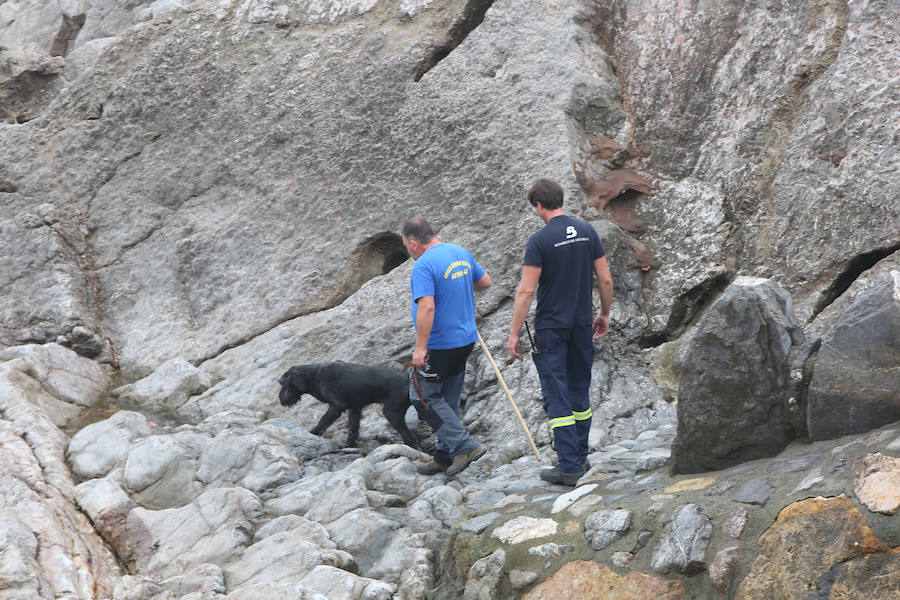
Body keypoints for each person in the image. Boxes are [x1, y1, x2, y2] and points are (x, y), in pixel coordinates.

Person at [506, 178, 613, 486]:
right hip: (582, 324)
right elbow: (605, 280)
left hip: (551, 328)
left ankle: (568, 466)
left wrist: (514, 334)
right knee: (579, 387)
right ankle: (579, 455)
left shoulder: (539, 241)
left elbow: (526, 292)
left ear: (538, 206)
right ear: (560, 199)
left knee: (557, 394)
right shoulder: (587, 231)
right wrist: (604, 313)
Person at [402, 217, 492, 476]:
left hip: (439, 344)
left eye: (406, 246)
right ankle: (444, 455)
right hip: (465, 340)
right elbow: (485, 282)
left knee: (423, 396)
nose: (407, 250)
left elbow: (427, 306)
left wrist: (420, 349)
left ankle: (466, 446)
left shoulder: (424, 265)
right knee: (447, 398)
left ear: (414, 243)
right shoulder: (460, 253)